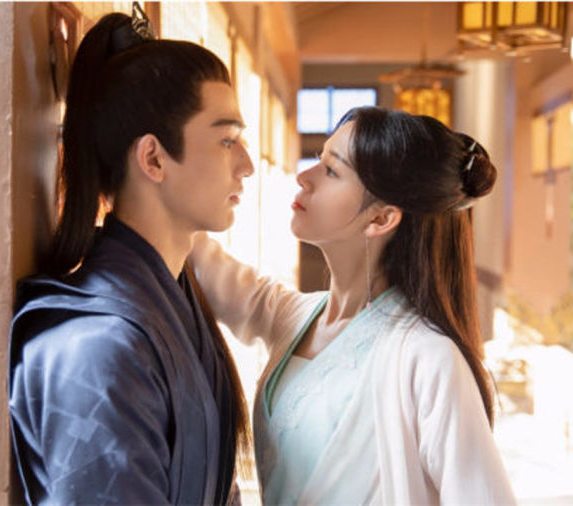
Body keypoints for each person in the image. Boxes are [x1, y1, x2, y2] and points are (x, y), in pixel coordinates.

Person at [189, 107, 517, 504]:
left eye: (331, 170)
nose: (304, 177)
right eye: (318, 159)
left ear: (380, 218)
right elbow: (200, 260)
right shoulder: (295, 317)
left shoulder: (427, 357)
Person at [8, 9, 254, 504]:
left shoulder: (175, 303)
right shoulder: (97, 349)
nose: (246, 164)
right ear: (153, 158)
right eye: (227, 140)